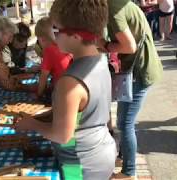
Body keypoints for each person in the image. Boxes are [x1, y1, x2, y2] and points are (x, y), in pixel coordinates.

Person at [15, 0, 116, 179]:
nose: (54, 36)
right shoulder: (101, 60)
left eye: (56, 30)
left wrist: (31, 124)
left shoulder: (69, 83)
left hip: (79, 166)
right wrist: (37, 118)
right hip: (102, 152)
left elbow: (62, 135)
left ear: (76, 37)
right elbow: (79, 114)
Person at [99, 0, 163, 179]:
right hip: (141, 69)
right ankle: (123, 157)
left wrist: (105, 45)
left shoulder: (113, 9)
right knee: (123, 120)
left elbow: (129, 46)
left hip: (140, 72)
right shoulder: (117, 4)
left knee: (125, 123)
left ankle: (129, 172)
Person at [34, 17, 72, 99]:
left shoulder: (49, 51)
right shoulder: (64, 45)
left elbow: (43, 77)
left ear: (42, 39)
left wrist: (39, 95)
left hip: (63, 94)